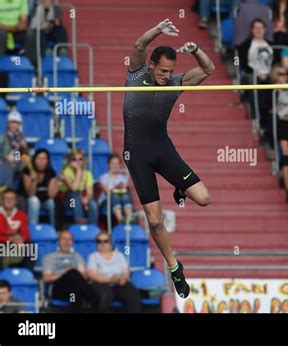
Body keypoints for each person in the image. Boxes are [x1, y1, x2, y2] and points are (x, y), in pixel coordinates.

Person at [123, 19, 215, 298]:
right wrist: (158, 30)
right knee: (154, 220)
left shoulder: (175, 83)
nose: (167, 75)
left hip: (162, 148)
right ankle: (175, 268)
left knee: (203, 198)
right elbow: (139, 44)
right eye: (163, 70)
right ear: (151, 65)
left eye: (171, 71)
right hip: (136, 154)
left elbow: (208, 69)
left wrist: (197, 49)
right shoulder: (135, 74)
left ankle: (179, 186)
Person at [42, 230, 100, 312]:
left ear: (72, 242)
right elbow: (46, 278)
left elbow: (84, 276)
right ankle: (92, 297)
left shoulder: (77, 256)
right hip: (58, 288)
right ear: (58, 241)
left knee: (75, 291)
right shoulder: (50, 257)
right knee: (73, 274)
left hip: (74, 291)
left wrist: (72, 273)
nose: (67, 242)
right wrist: (66, 273)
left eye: (69, 240)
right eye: (64, 239)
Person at [87, 232, 142, 313]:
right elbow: (93, 276)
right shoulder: (93, 257)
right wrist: (110, 279)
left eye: (105, 241)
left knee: (133, 293)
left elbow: (126, 271)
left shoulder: (119, 255)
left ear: (110, 242)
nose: (102, 243)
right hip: (101, 285)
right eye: (99, 241)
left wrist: (124, 278)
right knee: (105, 295)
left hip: (119, 284)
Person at [19, 149, 58, 227]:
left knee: (51, 202)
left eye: (44, 158)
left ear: (47, 160)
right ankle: (33, 229)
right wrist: (33, 180)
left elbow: (51, 195)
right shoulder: (27, 171)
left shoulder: (50, 172)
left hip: (44, 200)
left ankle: (54, 229)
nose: (41, 161)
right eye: (39, 158)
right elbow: (31, 194)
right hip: (28, 201)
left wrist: (56, 185)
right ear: (34, 159)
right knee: (34, 201)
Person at [59, 150, 98, 225]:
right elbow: (74, 188)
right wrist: (79, 171)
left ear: (83, 161)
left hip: (81, 199)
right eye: (74, 159)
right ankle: (79, 222)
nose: (77, 161)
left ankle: (92, 227)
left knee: (92, 203)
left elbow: (90, 192)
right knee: (74, 195)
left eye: (80, 159)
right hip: (69, 202)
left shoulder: (87, 173)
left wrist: (86, 198)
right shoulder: (66, 171)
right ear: (71, 161)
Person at [0, 189, 32, 270]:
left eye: (12, 199)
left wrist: (20, 238)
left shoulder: (21, 214)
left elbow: (26, 234)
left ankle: (26, 275)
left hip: (16, 244)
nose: (9, 201)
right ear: (2, 200)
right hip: (2, 244)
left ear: (16, 201)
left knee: (30, 246)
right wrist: (10, 238)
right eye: (7, 198)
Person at [99, 154, 133, 224]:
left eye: (117, 164)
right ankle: (120, 220)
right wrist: (117, 186)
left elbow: (124, 189)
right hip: (106, 202)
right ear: (108, 165)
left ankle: (130, 219)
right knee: (114, 196)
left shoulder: (122, 178)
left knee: (126, 196)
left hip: (121, 200)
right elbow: (107, 190)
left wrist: (122, 186)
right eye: (113, 163)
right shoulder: (103, 177)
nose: (115, 166)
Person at [0, 0, 36, 64]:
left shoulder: (21, 1)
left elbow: (24, 21)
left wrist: (20, 26)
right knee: (2, 34)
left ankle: (30, 64)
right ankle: (1, 65)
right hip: (3, 30)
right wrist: (12, 28)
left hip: (16, 30)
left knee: (30, 34)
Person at [1, 110, 28, 178]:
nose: (13, 125)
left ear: (19, 124)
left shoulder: (21, 136)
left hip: (17, 160)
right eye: (11, 122)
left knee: (26, 163)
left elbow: (23, 154)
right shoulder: (3, 136)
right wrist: (5, 157)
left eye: (16, 123)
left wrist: (24, 147)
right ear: (8, 123)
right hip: (5, 161)